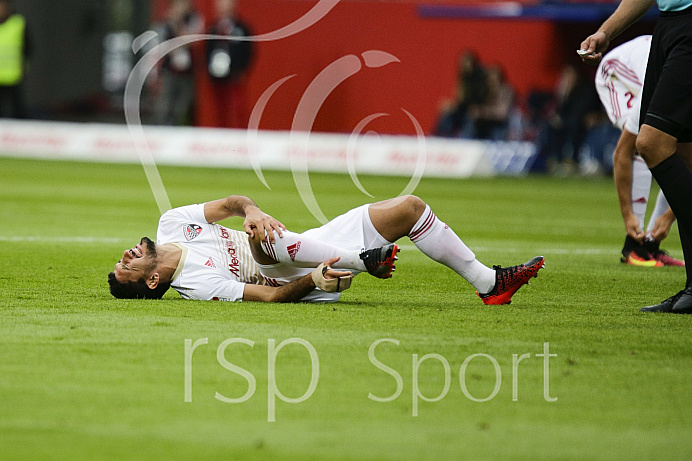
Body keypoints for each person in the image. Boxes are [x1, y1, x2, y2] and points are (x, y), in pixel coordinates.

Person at [108, 194, 545, 304]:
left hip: (303, 242)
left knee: (410, 209)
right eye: (125, 268)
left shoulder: (171, 223)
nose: (124, 255)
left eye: (121, 258)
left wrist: (252, 209)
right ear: (151, 280)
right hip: (296, 271)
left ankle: (488, 283)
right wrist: (315, 280)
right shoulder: (195, 284)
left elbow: (230, 204)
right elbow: (272, 295)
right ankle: (363, 261)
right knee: (263, 241)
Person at [579, 0, 692, 313]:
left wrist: (664, 218)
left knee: (651, 143)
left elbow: (624, 151)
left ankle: (641, 243)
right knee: (678, 153)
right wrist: (606, 31)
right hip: (667, 29)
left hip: (683, 32)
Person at [594, 35, 683, 267]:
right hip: (616, 75)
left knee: (677, 152)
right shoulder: (662, 87)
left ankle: (651, 244)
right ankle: (634, 244)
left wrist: (670, 216)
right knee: (642, 144)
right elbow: (622, 152)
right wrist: (628, 215)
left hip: (655, 67)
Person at [205, 0, 254, 128]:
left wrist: (242, 70)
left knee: (237, 109)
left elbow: (248, 50)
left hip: (234, 76)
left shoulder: (241, 28)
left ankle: (240, 137)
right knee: (219, 110)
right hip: (217, 77)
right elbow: (207, 50)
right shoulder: (213, 28)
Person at [154, 0, 203, 126]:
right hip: (169, 72)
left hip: (187, 73)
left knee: (182, 107)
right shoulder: (164, 24)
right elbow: (162, 47)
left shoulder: (193, 19)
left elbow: (193, 40)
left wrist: (179, 27)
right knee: (164, 106)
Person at [0, 0, 30, 119]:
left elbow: (28, 48)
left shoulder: (18, 23)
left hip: (14, 76)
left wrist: (24, 67)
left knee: (18, 111)